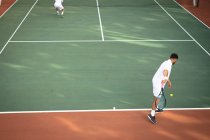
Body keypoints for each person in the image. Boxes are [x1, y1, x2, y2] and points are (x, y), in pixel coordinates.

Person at [148, 53, 179, 124]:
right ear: (175, 59)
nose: (175, 62)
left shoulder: (167, 62)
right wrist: (165, 78)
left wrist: (168, 81)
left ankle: (156, 107)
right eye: (176, 60)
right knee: (157, 99)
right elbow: (165, 71)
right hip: (158, 83)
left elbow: (165, 73)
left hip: (157, 81)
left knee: (156, 97)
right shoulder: (168, 64)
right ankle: (152, 115)